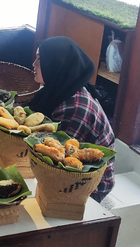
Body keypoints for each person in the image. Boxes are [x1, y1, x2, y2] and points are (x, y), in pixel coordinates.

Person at [29, 36, 115, 202]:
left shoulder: (74, 109)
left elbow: (61, 160)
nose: (34, 64)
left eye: (39, 59)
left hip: (90, 184)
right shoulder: (60, 88)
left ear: (56, 65)